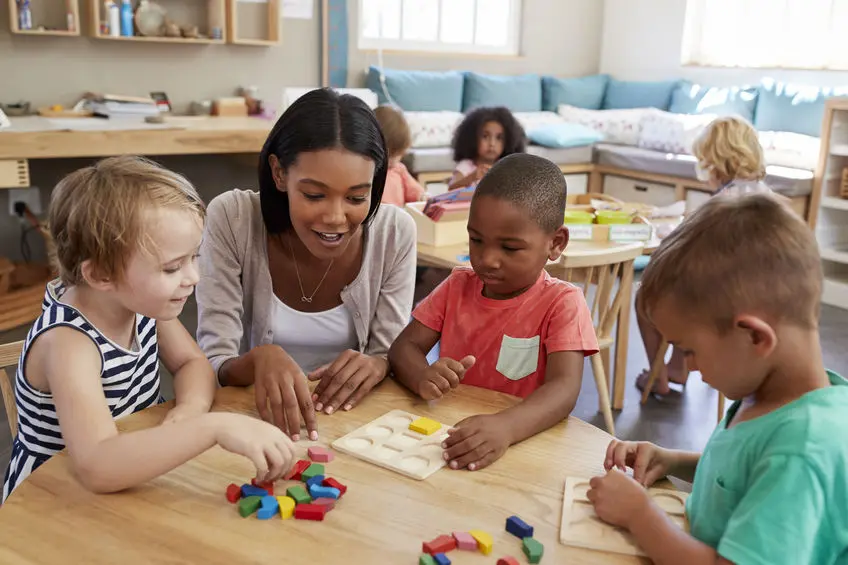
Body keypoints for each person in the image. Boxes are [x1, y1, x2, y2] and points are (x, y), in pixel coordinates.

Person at [2, 156, 295, 503]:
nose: (194, 277)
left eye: (194, 257)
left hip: (130, 474)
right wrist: (211, 427)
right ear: (100, 275)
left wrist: (189, 411)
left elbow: (192, 364)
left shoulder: (140, 303)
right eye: (172, 268)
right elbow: (97, 465)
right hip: (54, 501)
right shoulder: (68, 344)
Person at [588, 193, 847, 565]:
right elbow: (745, 474)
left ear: (755, 337)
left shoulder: (802, 451)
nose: (689, 367)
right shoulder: (770, 393)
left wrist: (639, 517)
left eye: (688, 350)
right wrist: (672, 460)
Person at [196, 89, 417, 441]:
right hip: (252, 426)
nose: (335, 217)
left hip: (355, 429)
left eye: (357, 197)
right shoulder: (233, 218)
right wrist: (257, 359)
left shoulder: (394, 231)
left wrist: (380, 362)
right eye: (314, 195)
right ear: (279, 174)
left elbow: (387, 351)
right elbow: (211, 361)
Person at [389, 153, 598, 472]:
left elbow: (564, 389)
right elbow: (404, 347)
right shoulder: (457, 285)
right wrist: (422, 376)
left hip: (523, 444)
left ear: (556, 243)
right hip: (450, 436)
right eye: (476, 240)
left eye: (510, 248)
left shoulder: (562, 303)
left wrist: (507, 427)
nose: (487, 259)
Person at [637, 115, 773, 395]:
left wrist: (668, 234)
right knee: (683, 289)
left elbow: (684, 249)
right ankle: (677, 367)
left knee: (646, 297)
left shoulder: (723, 205)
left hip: (720, 304)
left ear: (716, 162)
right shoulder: (767, 198)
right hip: (759, 301)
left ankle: (658, 375)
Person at [448, 106, 526, 191]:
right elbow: (451, 189)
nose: (492, 143)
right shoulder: (466, 166)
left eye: (499, 138)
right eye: (485, 136)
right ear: (472, 138)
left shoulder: (507, 167)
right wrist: (471, 177)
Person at [373, 104, 427, 207]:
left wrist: (422, 196)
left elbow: (414, 190)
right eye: (390, 156)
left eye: (397, 155)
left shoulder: (399, 169)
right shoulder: (369, 171)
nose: (393, 161)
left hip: (399, 217)